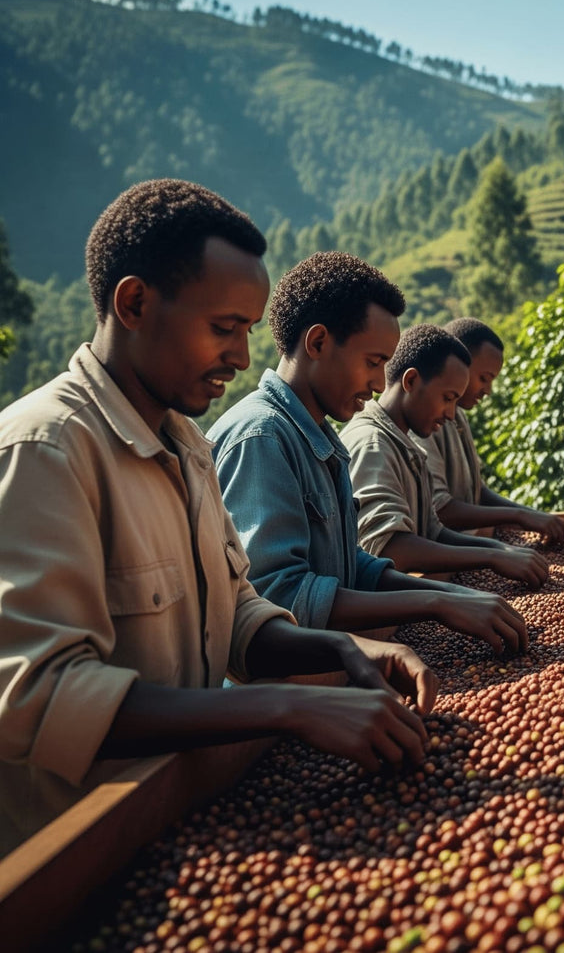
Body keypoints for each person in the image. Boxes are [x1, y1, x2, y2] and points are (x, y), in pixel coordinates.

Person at [0, 183, 435, 856]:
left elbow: (235, 611)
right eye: (223, 328)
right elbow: (41, 696)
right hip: (79, 863)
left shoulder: (186, 444)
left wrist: (341, 651)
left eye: (247, 332)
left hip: (186, 826)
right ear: (135, 304)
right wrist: (287, 705)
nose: (240, 356)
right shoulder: (44, 451)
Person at [210, 253, 532, 657]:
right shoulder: (262, 437)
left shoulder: (320, 439)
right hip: (282, 693)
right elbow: (281, 598)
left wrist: (446, 594)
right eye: (373, 362)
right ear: (318, 343)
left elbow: (352, 567)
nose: (380, 383)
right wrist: (437, 602)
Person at [342, 322, 552, 582]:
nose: (451, 414)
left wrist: (499, 550)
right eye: (447, 398)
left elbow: (433, 531)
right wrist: (490, 558)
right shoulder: (372, 444)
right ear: (411, 381)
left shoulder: (404, 442)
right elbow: (392, 548)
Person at [408, 317, 564, 544]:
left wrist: (531, 515)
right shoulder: (424, 421)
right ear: (459, 366)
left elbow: (476, 492)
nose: (488, 391)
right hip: (445, 556)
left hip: (464, 548)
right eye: (484, 378)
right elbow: (440, 508)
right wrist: (518, 519)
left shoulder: (457, 416)